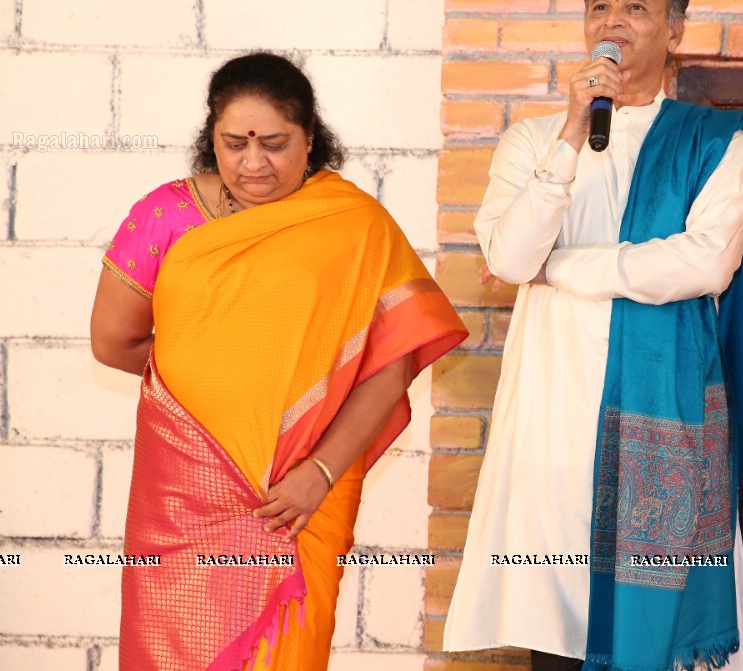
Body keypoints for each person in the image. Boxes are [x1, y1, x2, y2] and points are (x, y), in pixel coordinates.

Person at [442, 0, 743, 671]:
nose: (613, 21)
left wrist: (572, 267)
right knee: (556, 625)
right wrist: (568, 134)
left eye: (635, 7)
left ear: (673, 31)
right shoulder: (533, 139)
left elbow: (705, 260)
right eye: (599, 6)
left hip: (662, 412)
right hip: (554, 413)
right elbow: (508, 259)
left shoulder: (715, 143)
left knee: (656, 626)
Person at [90, 52, 467, 671]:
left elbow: (388, 367)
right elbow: (116, 343)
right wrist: (216, 388)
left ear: (310, 139)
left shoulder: (354, 226)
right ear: (210, 137)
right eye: (233, 143)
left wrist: (316, 470)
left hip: (296, 496)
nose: (253, 163)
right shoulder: (167, 214)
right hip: (183, 491)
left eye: (275, 143)